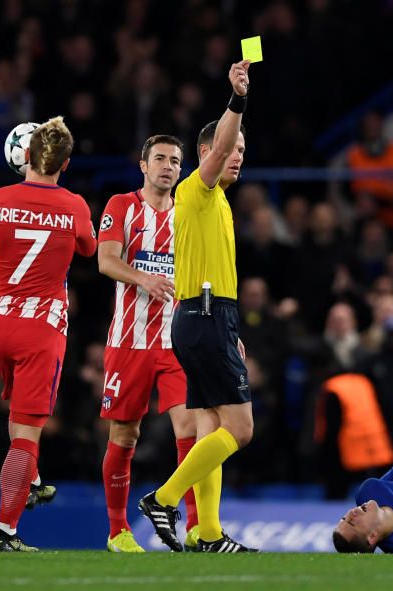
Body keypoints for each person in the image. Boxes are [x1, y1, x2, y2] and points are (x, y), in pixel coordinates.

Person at [138, 60, 257, 553]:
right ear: (208, 152)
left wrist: (230, 327)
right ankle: (164, 498)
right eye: (231, 149)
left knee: (210, 426)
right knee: (242, 429)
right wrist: (237, 100)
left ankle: (208, 533)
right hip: (203, 316)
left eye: (244, 151)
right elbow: (221, 144)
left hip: (209, 317)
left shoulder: (220, 202)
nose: (237, 157)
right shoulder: (197, 187)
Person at [0, 116, 96, 552]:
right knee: (28, 433)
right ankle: (6, 532)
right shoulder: (75, 205)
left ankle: (30, 479)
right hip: (41, 328)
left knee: (19, 422)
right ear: (63, 165)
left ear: (24, 155)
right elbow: (88, 249)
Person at [95, 134, 199, 553]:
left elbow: (198, 276)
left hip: (176, 342)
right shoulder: (121, 206)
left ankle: (196, 525)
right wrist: (144, 279)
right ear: (143, 165)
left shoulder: (188, 214)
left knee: (191, 429)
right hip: (128, 340)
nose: (168, 166)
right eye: (159, 158)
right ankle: (118, 531)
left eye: (175, 160)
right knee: (124, 433)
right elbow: (105, 261)